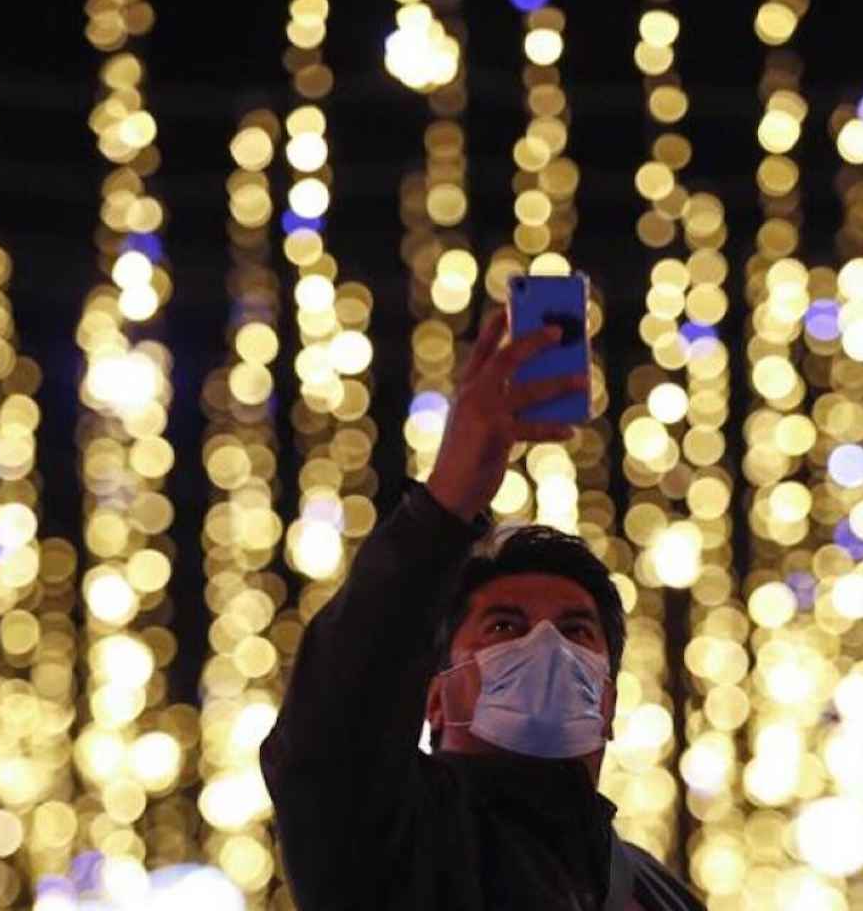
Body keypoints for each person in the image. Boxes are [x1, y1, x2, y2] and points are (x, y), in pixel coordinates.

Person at [262, 312, 705, 910]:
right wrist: (446, 502)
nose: (547, 643)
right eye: (505, 626)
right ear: (435, 698)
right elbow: (332, 729)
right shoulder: (401, 841)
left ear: (609, 702)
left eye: (577, 630)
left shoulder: (656, 895)